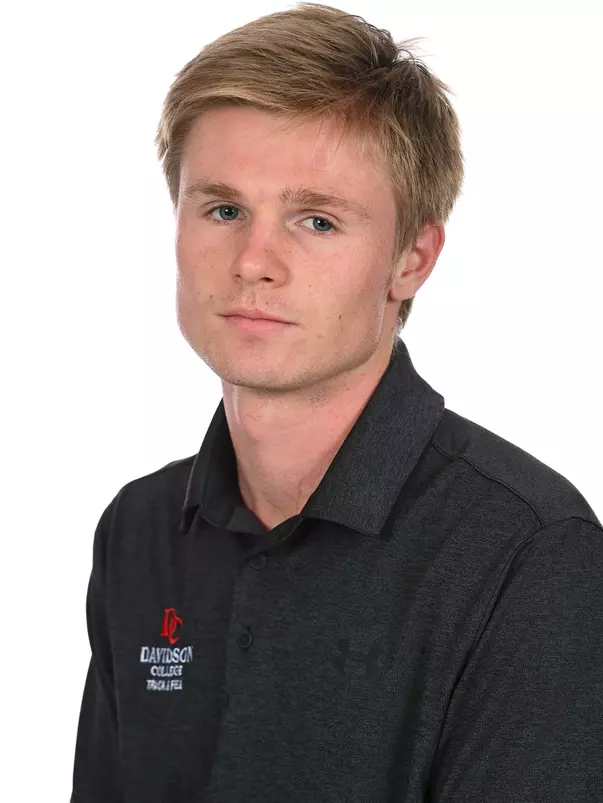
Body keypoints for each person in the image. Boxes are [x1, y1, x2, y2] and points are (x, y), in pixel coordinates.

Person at [70, 3, 603, 801]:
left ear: (411, 260)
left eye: (315, 221)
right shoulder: (138, 531)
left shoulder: (528, 555)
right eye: (222, 209)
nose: (254, 260)